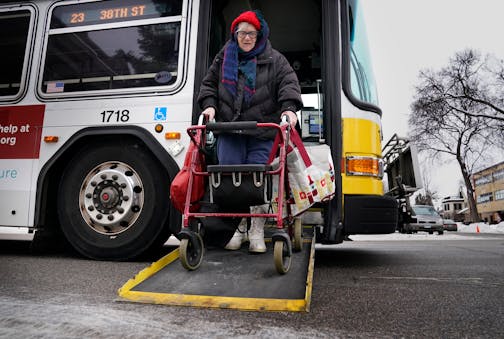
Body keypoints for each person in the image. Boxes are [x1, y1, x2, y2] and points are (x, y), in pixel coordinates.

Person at [197, 10, 302, 253]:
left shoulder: (275, 59)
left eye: (251, 33)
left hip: (262, 132)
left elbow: (289, 84)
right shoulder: (223, 57)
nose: (246, 38)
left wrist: (289, 109)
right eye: (241, 33)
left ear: (259, 34)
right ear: (235, 34)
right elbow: (209, 85)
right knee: (232, 181)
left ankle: (256, 230)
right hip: (230, 130)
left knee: (258, 179)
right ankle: (239, 228)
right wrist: (210, 106)